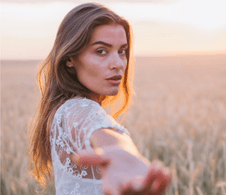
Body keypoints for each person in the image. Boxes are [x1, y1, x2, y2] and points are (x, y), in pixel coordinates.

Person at [29, 3, 171, 195]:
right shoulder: (77, 109)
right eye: (101, 51)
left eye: (122, 51)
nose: (118, 64)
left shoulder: (61, 109)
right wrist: (125, 155)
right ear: (70, 58)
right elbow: (107, 136)